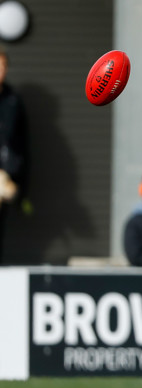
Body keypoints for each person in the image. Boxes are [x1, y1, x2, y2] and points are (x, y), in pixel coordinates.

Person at [0, 46, 28, 264]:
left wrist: (17, 178)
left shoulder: (13, 101)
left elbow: (21, 142)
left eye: (2, 66)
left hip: (5, 175)